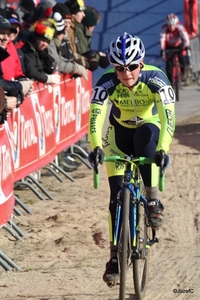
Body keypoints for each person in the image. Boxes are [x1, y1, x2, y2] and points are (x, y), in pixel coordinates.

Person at [88, 32, 175, 286]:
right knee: (116, 197)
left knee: (146, 139)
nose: (126, 74)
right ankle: (115, 256)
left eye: (132, 67)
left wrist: (163, 148)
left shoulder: (156, 79)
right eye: (119, 68)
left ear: (142, 63)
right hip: (118, 134)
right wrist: (95, 147)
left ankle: (153, 200)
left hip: (148, 128)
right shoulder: (106, 83)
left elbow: (168, 117)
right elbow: (95, 118)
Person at [20, 18, 60, 84]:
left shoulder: (42, 51)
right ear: (36, 38)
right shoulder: (29, 49)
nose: (45, 44)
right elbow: (30, 71)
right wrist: (47, 78)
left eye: (47, 42)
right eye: (42, 40)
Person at [160, 13, 190, 83]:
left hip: (179, 44)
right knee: (169, 62)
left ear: (176, 24)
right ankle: (170, 80)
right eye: (170, 25)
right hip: (169, 45)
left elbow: (185, 37)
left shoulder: (180, 27)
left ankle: (183, 74)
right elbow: (162, 39)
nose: (171, 27)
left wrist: (187, 46)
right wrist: (162, 50)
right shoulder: (164, 28)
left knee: (182, 58)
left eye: (173, 25)